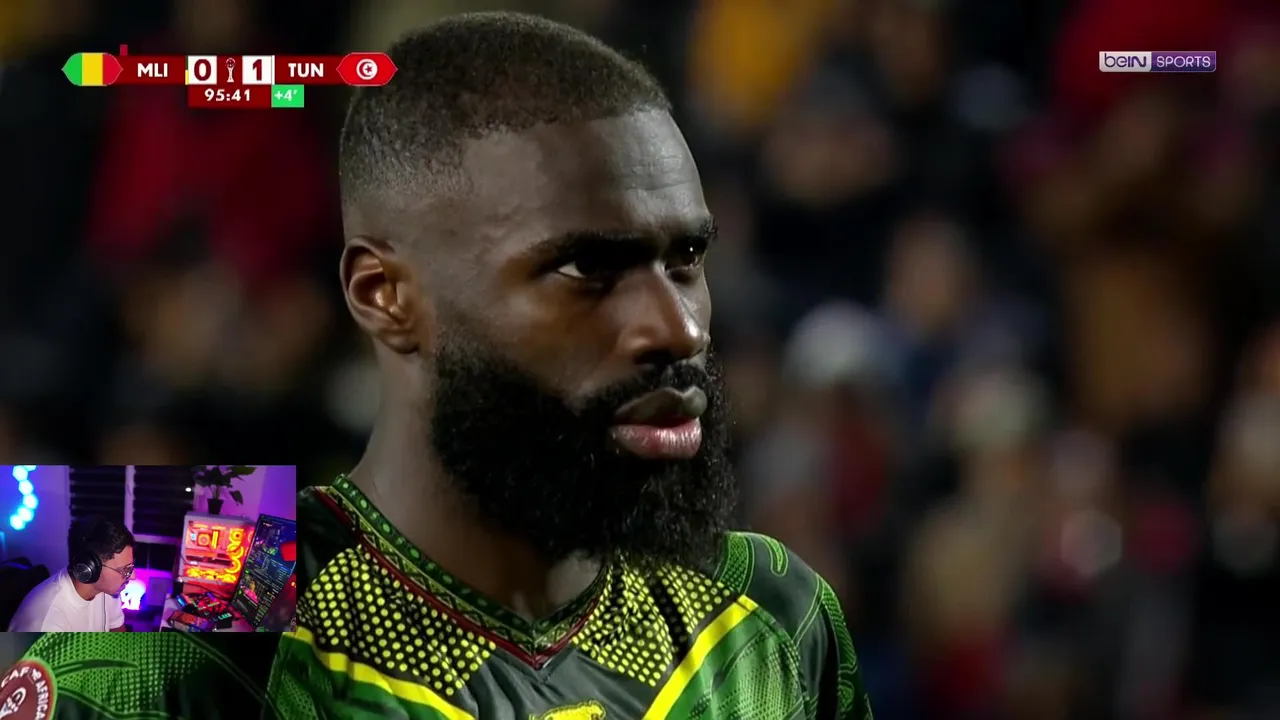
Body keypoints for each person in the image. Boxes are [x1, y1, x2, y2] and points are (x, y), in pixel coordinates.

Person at [268, 12, 873, 719]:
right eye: (588, 268)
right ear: (387, 296)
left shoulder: (771, 608)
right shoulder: (212, 565)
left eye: (686, 260)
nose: (679, 331)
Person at [7, 515, 133, 632]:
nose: (132, 576)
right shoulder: (47, 623)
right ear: (90, 567)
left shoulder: (108, 590)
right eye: (124, 570)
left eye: (131, 568)